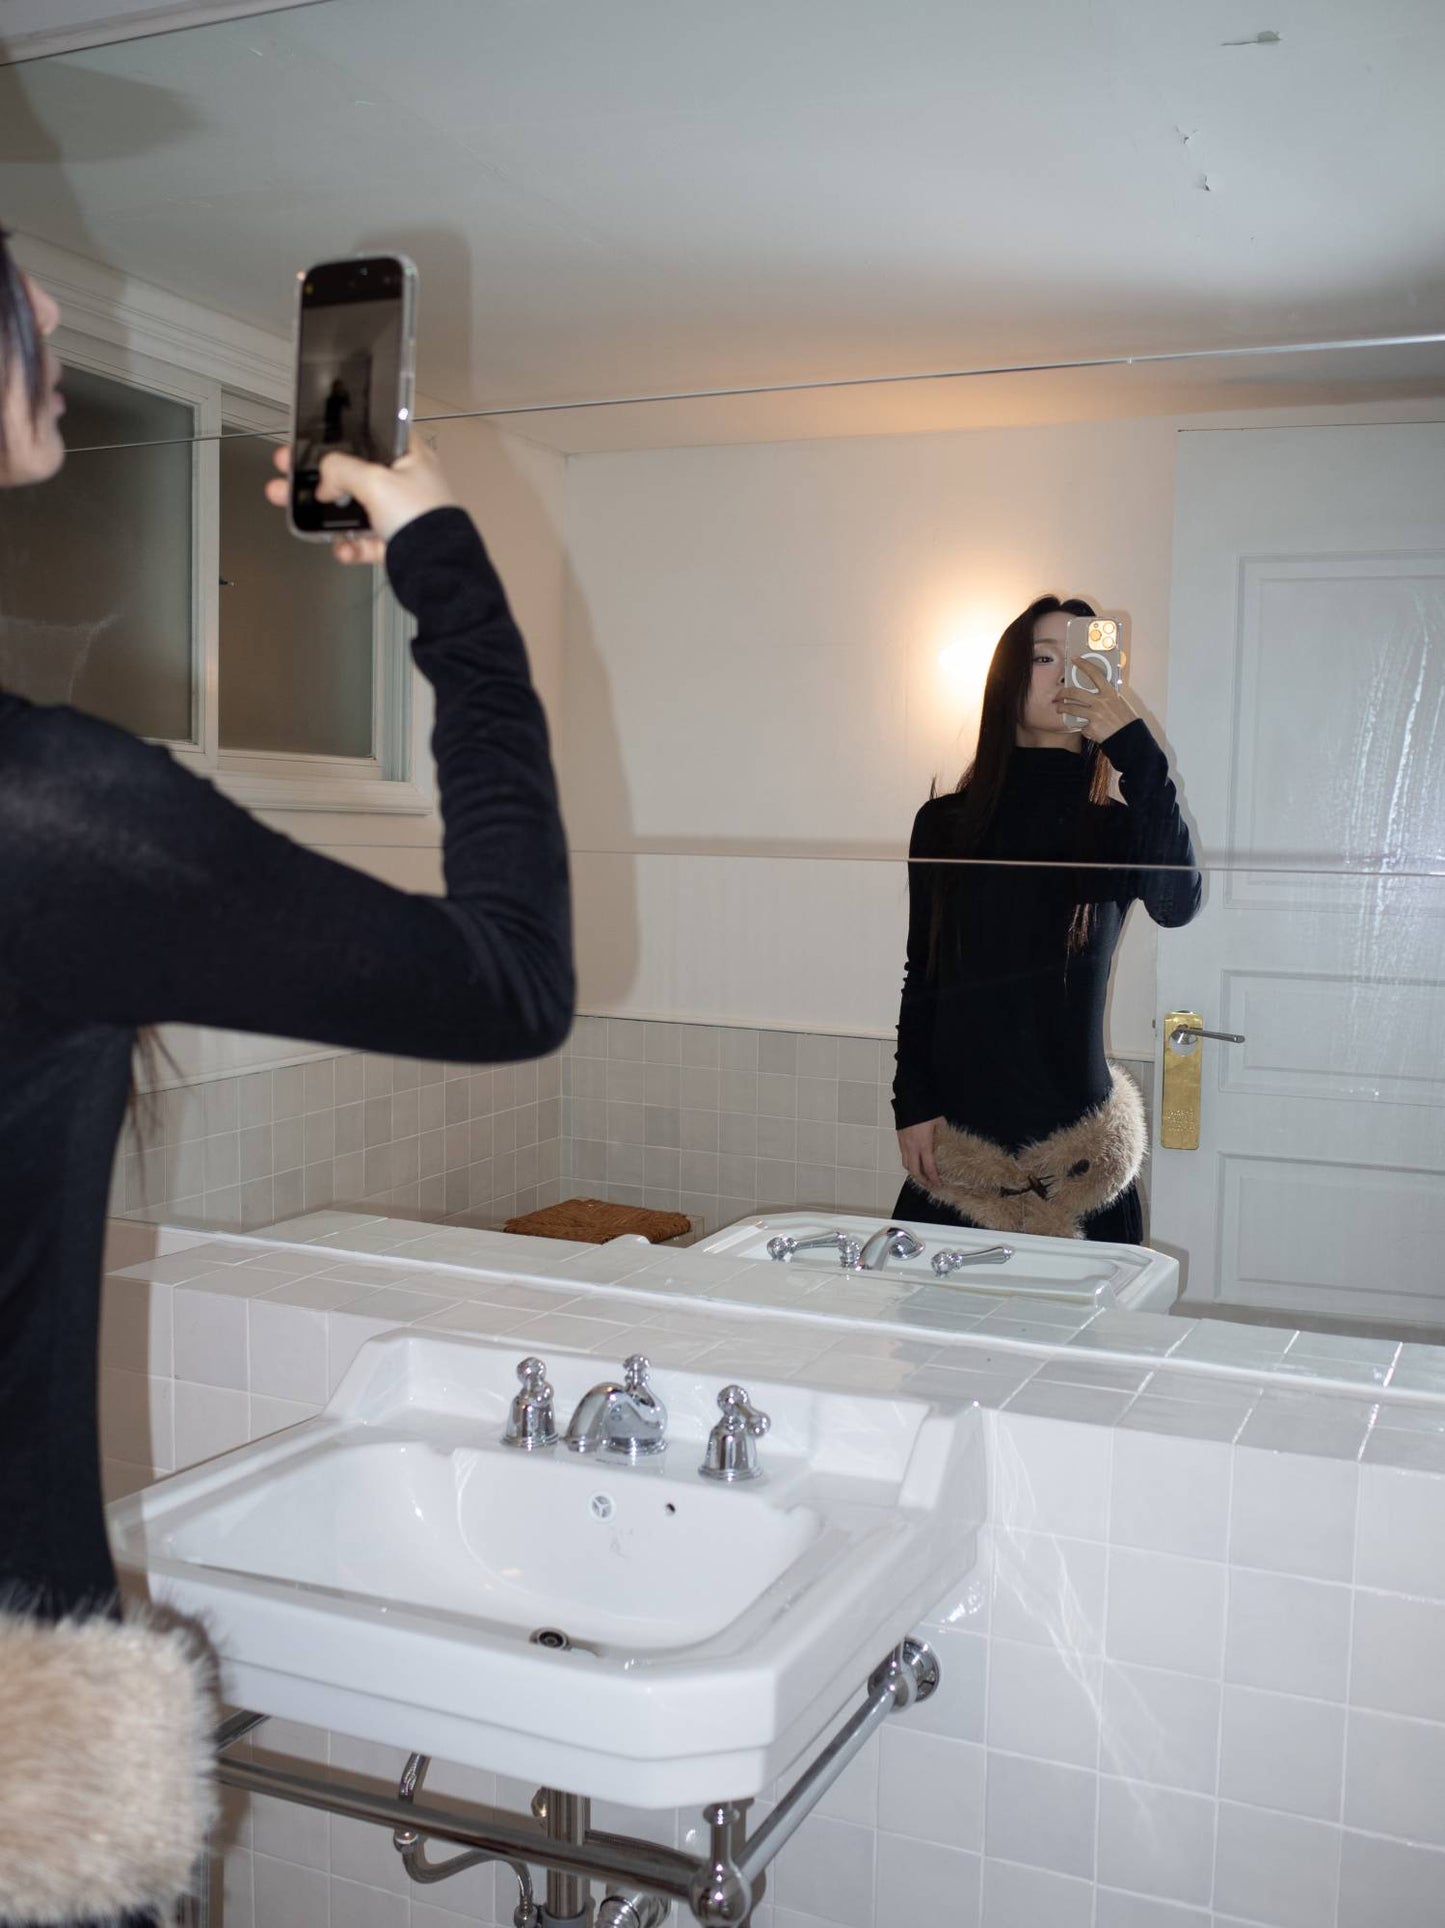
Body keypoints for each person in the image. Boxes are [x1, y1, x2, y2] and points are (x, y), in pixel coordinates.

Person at [0, 230, 572, 1919]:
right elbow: (514, 981)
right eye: (6, 267)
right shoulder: (45, 813)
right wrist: (449, 573)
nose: (48, 303)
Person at [892, 596, 1200, 1243]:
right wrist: (910, 1104)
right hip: (960, 1160)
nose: (1065, 673)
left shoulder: (1113, 829)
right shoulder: (945, 823)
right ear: (1006, 681)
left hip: (1082, 1167)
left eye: (1080, 657)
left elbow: (1177, 906)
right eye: (1042, 657)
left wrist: (1136, 751)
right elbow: (923, 972)